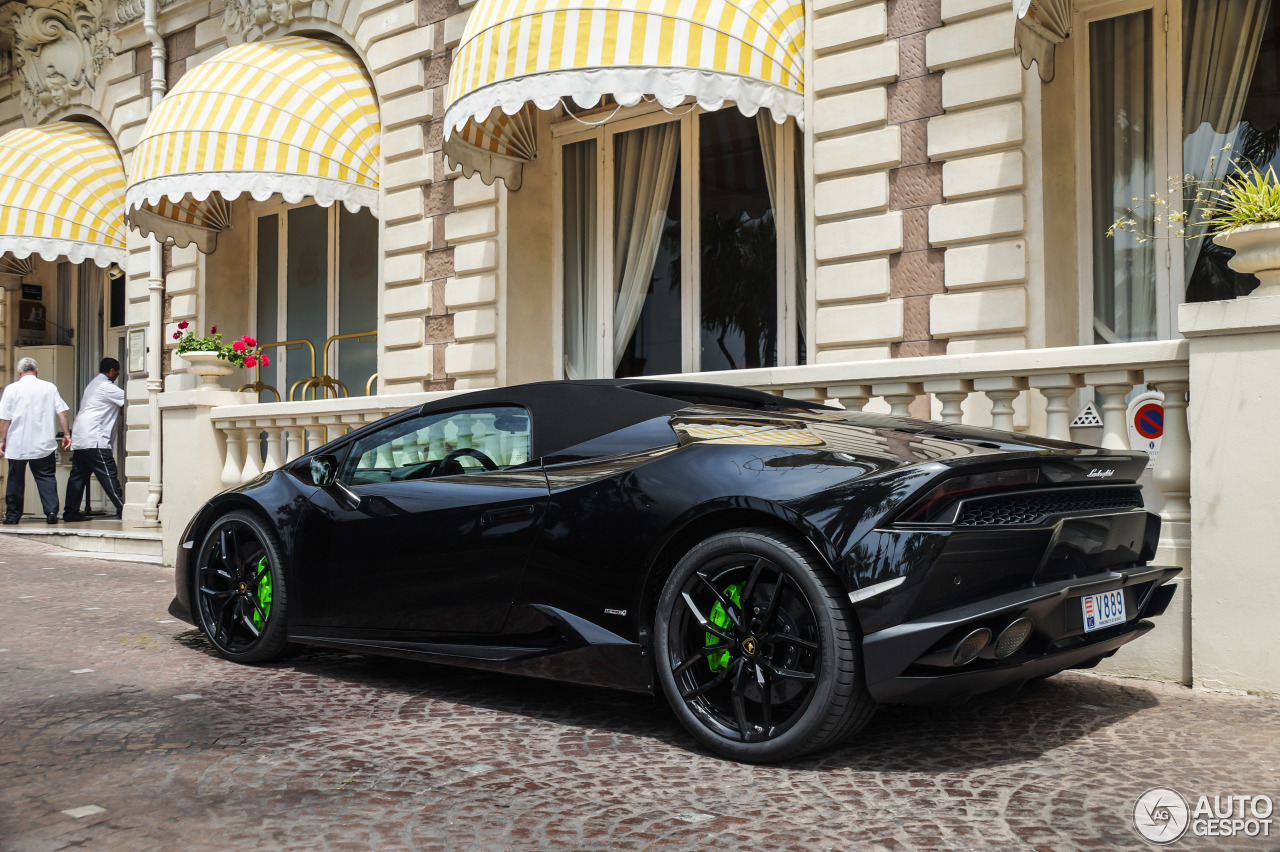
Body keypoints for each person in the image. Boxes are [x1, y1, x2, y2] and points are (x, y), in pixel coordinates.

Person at [0, 357, 71, 524]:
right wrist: (67, 435)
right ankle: (51, 510)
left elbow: (5, 419)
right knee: (46, 477)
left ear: (19, 372)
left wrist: (2, 439)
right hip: (43, 443)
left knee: (15, 480)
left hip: (18, 443)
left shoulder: (11, 389)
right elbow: (62, 413)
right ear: (36, 370)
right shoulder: (49, 387)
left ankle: (12, 516)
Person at [64, 357, 126, 522]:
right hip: (95, 438)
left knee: (77, 477)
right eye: (117, 371)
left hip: (81, 436)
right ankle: (123, 509)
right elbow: (130, 400)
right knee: (108, 474)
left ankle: (70, 512)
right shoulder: (106, 386)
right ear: (112, 370)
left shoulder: (93, 384)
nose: (118, 374)